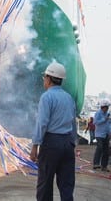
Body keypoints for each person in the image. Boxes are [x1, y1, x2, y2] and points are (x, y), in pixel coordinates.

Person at [30, 61, 77, 201]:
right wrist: (73, 143)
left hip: (51, 143)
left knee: (45, 183)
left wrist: (35, 145)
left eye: (45, 77)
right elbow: (73, 122)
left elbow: (42, 123)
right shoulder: (69, 98)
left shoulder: (47, 97)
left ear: (49, 79)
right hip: (67, 143)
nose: (44, 80)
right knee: (66, 185)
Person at [91, 101, 111, 171]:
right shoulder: (98, 113)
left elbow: (109, 124)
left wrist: (110, 132)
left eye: (107, 108)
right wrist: (104, 119)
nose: (106, 109)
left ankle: (104, 166)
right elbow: (95, 122)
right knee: (100, 147)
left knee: (106, 151)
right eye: (106, 108)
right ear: (103, 107)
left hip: (106, 134)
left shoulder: (108, 114)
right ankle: (96, 163)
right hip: (99, 134)